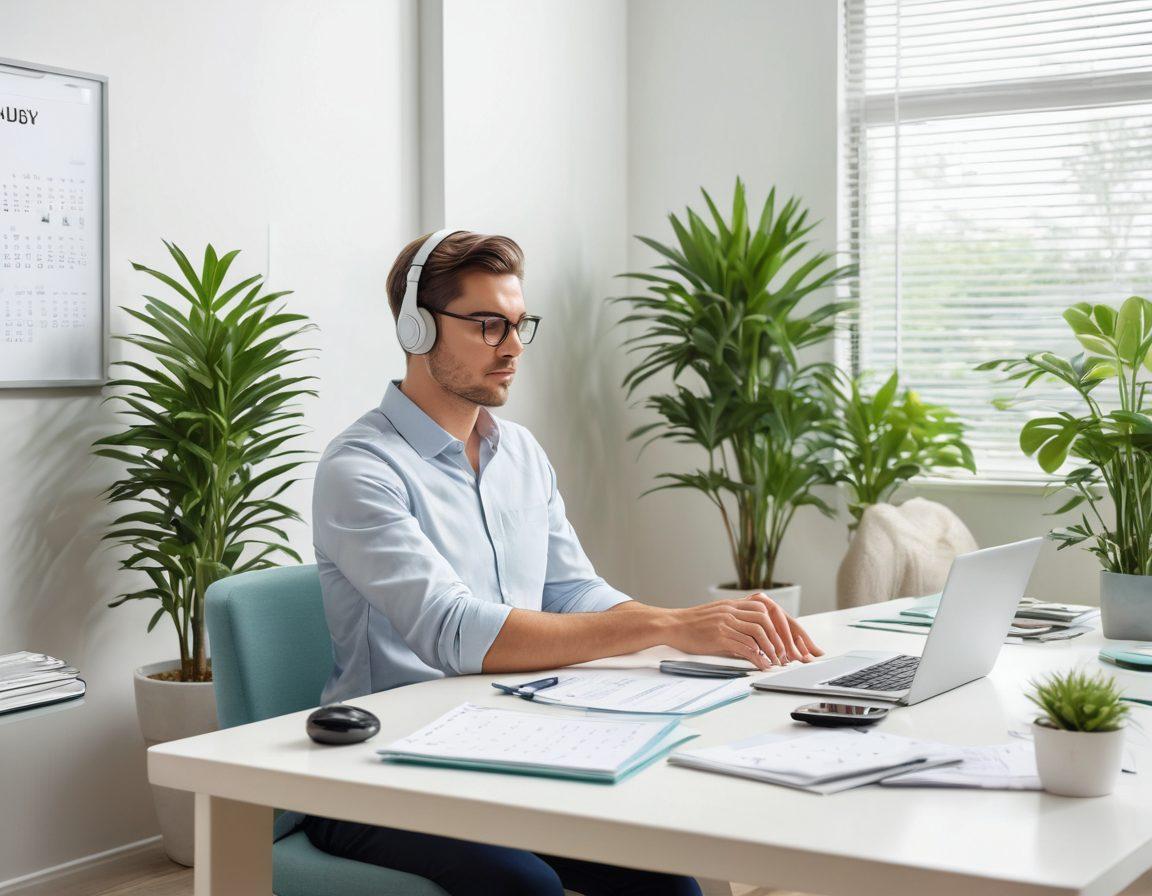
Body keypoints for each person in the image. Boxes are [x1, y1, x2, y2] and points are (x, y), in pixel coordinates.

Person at [301, 230, 823, 896]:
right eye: (489, 325)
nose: (513, 348)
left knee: (666, 883)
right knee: (528, 888)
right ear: (417, 328)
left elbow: (573, 589)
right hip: (378, 775)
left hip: (507, 747)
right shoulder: (361, 469)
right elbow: (456, 632)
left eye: (520, 326)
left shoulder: (518, 453)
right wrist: (666, 624)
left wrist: (695, 630)